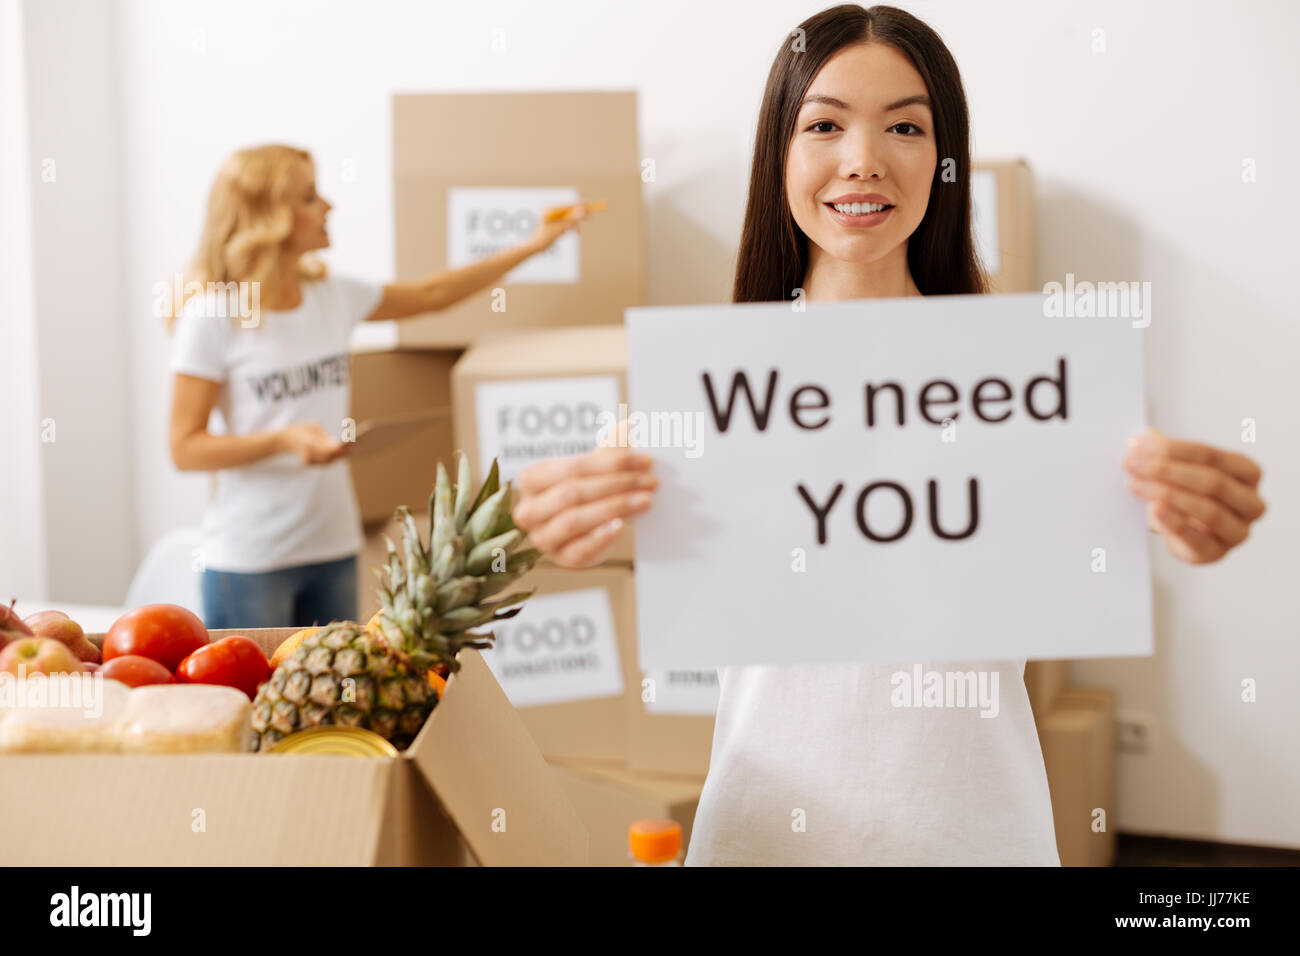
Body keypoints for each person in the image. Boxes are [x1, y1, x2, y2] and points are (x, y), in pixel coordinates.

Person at [509, 4, 1267, 865]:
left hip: (981, 839)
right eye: (824, 124)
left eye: (905, 126)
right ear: (780, 157)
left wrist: (1190, 517)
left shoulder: (1034, 386)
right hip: (762, 841)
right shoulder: (695, 398)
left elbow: (1137, 527)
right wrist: (558, 531)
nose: (863, 160)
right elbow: (578, 546)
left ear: (945, 162)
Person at [167, 143, 587, 629]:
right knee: (258, 702)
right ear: (269, 217)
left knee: (331, 699)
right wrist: (282, 440)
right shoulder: (213, 316)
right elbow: (185, 448)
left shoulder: (332, 297)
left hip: (333, 546)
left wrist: (536, 245)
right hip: (250, 560)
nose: (328, 206)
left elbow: (434, 295)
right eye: (309, 197)